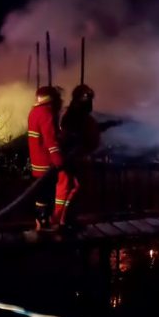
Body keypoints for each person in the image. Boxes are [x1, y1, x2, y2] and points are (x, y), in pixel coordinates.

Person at [53, 83, 120, 228]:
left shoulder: (81, 116)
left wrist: (110, 124)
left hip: (76, 157)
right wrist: (77, 143)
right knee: (69, 188)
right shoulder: (72, 115)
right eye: (88, 98)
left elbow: (91, 130)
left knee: (75, 188)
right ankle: (62, 219)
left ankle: (66, 218)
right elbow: (70, 134)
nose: (90, 103)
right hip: (71, 158)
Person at [27, 85, 64, 231]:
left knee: (40, 196)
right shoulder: (46, 114)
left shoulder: (34, 112)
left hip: (37, 164)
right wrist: (59, 161)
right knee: (46, 195)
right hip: (46, 165)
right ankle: (43, 224)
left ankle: (40, 223)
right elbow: (50, 140)